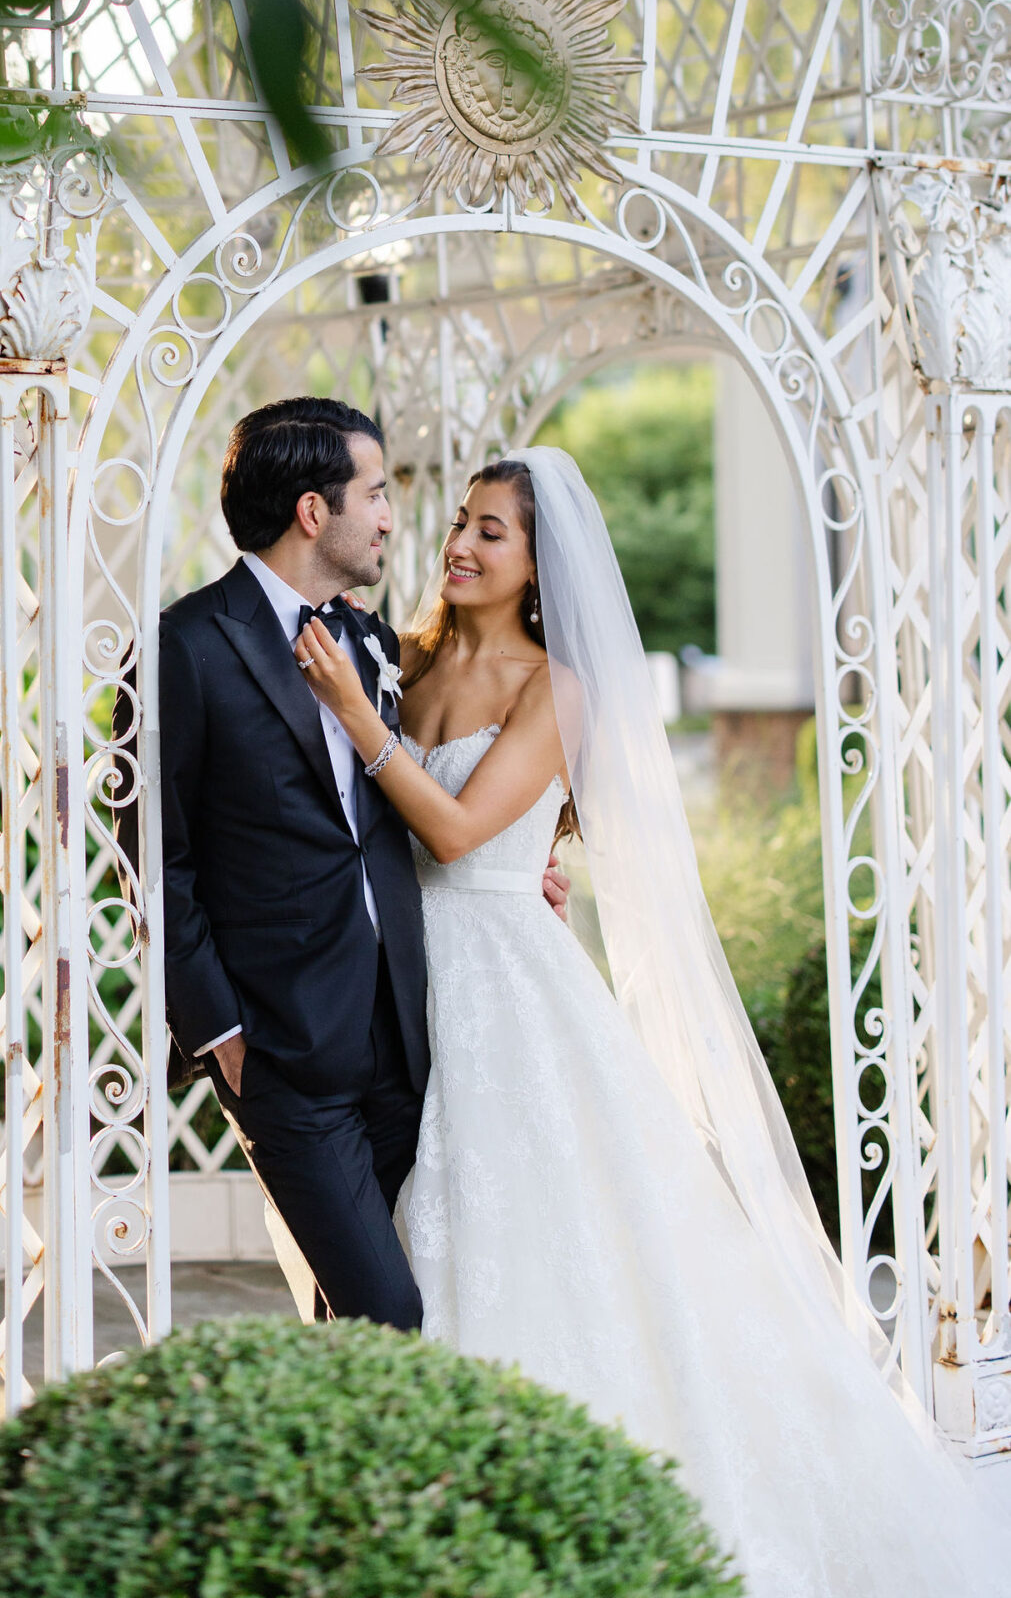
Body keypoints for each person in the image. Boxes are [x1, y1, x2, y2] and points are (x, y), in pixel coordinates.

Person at [293, 444, 1004, 1597]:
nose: (461, 544)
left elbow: (460, 834)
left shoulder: (554, 687)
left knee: (537, 1237)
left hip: (507, 988)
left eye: (492, 532)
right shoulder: (398, 656)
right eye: (461, 521)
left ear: (539, 566)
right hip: (395, 982)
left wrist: (359, 723)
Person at [157, 399, 567, 1328]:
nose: (394, 518)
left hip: (415, 1036)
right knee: (387, 1316)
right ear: (314, 511)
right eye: (376, 494)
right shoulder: (189, 646)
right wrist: (219, 1032)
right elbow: (155, 860)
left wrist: (525, 869)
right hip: (282, 1050)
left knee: (380, 1305)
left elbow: (421, 815)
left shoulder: (377, 646)